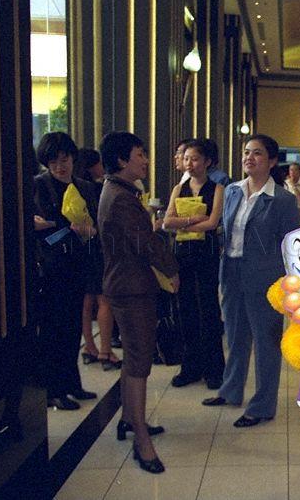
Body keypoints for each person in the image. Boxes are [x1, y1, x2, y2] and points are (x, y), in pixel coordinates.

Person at [202, 134, 300, 428]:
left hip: (266, 279)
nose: (249, 158)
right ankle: (231, 390)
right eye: (246, 152)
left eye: (257, 153)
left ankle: (262, 405)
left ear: (271, 161)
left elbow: (290, 245)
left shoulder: (282, 200)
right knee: (234, 335)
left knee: (266, 342)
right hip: (231, 271)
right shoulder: (232, 191)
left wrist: (289, 285)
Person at [98, 131, 180, 473]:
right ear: (122, 160)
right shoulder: (121, 197)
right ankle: (140, 439)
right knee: (139, 361)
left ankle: (130, 420)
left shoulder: (118, 191)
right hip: (130, 288)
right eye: (140, 154)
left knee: (134, 356)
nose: (145, 160)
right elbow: (144, 243)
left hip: (125, 284)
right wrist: (171, 269)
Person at [34, 132, 100, 410]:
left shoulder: (85, 187)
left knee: (73, 327)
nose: (60, 166)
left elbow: (97, 224)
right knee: (54, 330)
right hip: (50, 268)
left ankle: (72, 383)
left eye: (65, 160)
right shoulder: (38, 186)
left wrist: (90, 231)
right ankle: (54, 390)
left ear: (73, 159)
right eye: (54, 161)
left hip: (78, 265)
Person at [162, 139, 225, 389]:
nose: (189, 163)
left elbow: (212, 223)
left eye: (195, 158)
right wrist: (194, 218)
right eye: (186, 158)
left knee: (208, 309)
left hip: (207, 253)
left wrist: (184, 222)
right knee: (184, 308)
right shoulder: (179, 189)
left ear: (207, 162)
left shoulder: (217, 188)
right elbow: (167, 221)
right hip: (183, 254)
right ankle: (190, 367)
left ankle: (214, 369)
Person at [74, 148, 121, 370]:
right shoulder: (97, 188)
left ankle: (88, 347)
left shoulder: (74, 187)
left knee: (87, 300)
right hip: (98, 247)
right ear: (94, 164)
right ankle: (105, 350)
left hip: (80, 250)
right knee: (104, 299)